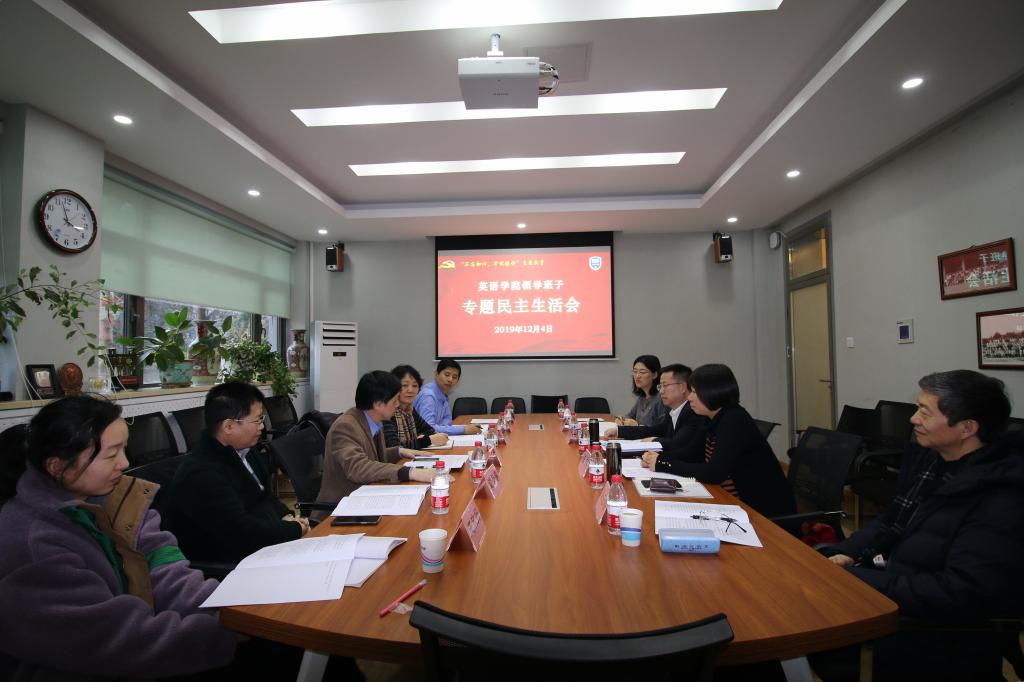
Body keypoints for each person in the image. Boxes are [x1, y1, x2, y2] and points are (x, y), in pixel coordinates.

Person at [0, 396, 236, 680]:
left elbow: (166, 567)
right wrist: (226, 633)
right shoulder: (32, 544)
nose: (125, 463)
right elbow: (113, 643)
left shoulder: (122, 499)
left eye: (124, 448)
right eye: (111, 455)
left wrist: (231, 611)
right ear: (57, 467)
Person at [812, 370, 1024, 682]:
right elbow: (889, 522)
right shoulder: (935, 462)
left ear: (967, 428)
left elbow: (959, 593)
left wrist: (857, 580)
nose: (913, 419)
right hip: (894, 591)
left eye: (925, 412)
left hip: (935, 639)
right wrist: (842, 553)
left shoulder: (1000, 497)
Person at [163, 382, 308, 564]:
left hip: (262, 548)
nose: (262, 427)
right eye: (257, 420)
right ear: (229, 426)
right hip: (229, 565)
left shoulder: (246, 451)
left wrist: (287, 516)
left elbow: (266, 497)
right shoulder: (200, 473)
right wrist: (293, 529)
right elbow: (241, 533)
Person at [658, 363, 795, 517]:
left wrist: (663, 464)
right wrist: (658, 458)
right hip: (731, 501)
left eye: (694, 392)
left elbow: (714, 473)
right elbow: (692, 453)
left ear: (712, 393)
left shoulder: (734, 419)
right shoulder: (710, 417)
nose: (689, 397)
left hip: (761, 511)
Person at [315, 371, 436, 519]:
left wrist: (399, 451)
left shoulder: (372, 420)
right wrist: (409, 472)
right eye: (394, 400)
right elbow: (358, 467)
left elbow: (371, 456)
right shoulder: (345, 426)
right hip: (340, 511)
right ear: (378, 404)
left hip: (366, 498)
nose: (398, 404)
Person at [603, 364, 706, 468]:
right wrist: (620, 431)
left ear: (682, 387)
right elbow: (655, 430)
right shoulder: (674, 410)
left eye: (665, 386)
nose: (661, 391)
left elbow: (678, 444)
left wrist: (654, 440)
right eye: (660, 386)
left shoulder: (693, 412)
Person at [383, 364, 449, 450]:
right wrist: (427, 440)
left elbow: (430, 431)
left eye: (414, 386)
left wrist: (422, 439)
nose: (410, 390)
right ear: (394, 387)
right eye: (405, 385)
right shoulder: (387, 413)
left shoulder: (410, 410)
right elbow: (394, 449)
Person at [412, 359, 481, 435]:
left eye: (454, 377)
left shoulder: (442, 393)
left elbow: (448, 419)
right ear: (436, 374)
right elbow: (428, 429)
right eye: (447, 375)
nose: (450, 379)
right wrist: (463, 430)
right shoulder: (428, 396)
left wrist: (440, 428)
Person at [616, 354, 668, 428]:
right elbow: (630, 416)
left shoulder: (661, 397)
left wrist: (637, 425)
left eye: (642, 372)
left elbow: (662, 429)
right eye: (635, 371)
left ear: (655, 375)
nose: (637, 376)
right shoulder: (642, 397)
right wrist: (622, 419)